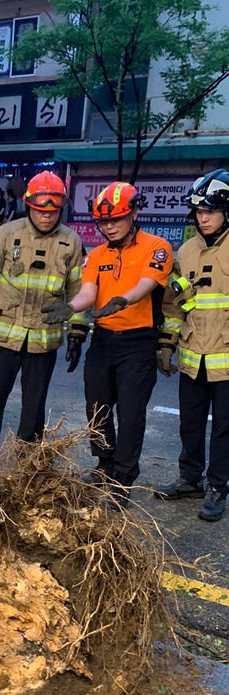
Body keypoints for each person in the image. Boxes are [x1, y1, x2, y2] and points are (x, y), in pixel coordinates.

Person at [43, 181, 174, 506]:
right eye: (103, 221)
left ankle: (123, 480)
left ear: (134, 214)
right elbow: (88, 292)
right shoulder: (97, 255)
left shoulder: (157, 247)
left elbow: (147, 284)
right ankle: (105, 464)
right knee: (97, 409)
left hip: (138, 343)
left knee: (131, 415)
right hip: (102, 341)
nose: (109, 226)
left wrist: (122, 300)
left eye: (116, 219)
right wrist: (71, 307)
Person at [0, 171, 83, 477]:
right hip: (4, 338)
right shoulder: (6, 235)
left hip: (43, 340)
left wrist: (77, 333)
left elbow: (78, 292)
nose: (46, 217)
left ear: (61, 209)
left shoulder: (71, 243)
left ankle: (28, 461)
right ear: (29, 205)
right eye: (41, 210)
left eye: (53, 211)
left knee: (34, 407)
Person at [154, 170, 229, 521]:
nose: (204, 217)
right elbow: (176, 303)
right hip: (193, 355)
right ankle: (189, 479)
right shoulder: (186, 251)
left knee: (224, 427)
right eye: (199, 211)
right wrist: (167, 344)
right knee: (191, 423)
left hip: (226, 359)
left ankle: (218, 486)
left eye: (211, 211)